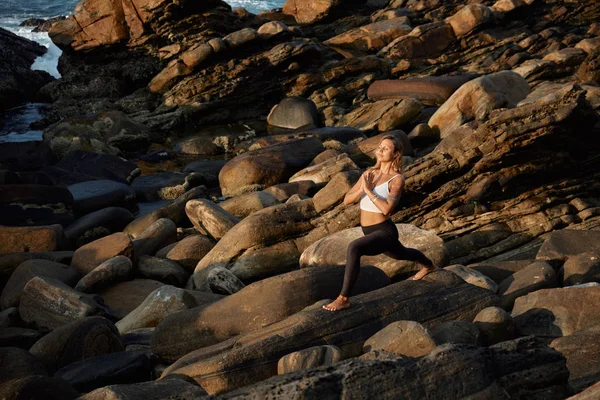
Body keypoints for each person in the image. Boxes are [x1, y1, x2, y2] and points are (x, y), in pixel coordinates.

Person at [322, 135, 437, 312]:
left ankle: (343, 298)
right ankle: (428, 265)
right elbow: (347, 200)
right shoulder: (369, 174)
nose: (381, 150)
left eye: (386, 148)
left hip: (385, 231)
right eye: (380, 147)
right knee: (401, 253)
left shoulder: (396, 179)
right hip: (369, 230)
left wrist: (368, 191)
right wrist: (362, 188)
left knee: (354, 247)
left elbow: (387, 209)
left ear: (396, 153)